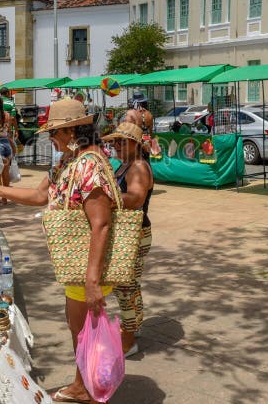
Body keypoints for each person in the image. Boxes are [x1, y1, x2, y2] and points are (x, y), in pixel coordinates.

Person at [0, 98, 118, 404]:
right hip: (77, 264)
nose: (51, 139)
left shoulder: (89, 164)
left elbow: (101, 223)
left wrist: (92, 280)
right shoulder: (70, 161)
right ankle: (85, 383)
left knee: (83, 329)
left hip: (87, 265)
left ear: (73, 130)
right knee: (79, 327)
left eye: (56, 132)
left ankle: (89, 388)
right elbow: (40, 195)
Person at [101, 122, 154, 358]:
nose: (116, 146)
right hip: (128, 233)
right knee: (130, 285)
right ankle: (136, 326)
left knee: (125, 287)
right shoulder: (126, 164)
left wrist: (103, 199)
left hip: (134, 234)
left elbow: (135, 198)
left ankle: (129, 341)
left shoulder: (139, 167)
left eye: (121, 142)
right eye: (114, 142)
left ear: (135, 145)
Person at [0, 96, 18, 206]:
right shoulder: (7, 115)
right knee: (5, 173)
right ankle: (5, 198)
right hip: (7, 144)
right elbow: (9, 131)